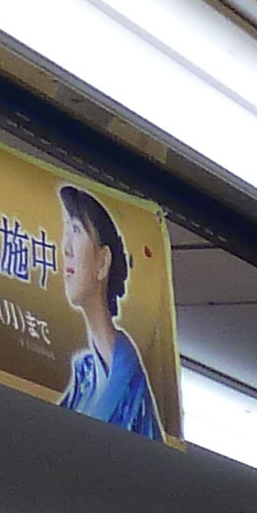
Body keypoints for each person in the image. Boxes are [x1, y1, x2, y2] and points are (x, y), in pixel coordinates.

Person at [54, 187, 164, 436]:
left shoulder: (128, 378)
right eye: (66, 230)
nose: (66, 247)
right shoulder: (85, 373)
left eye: (76, 230)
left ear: (103, 262)